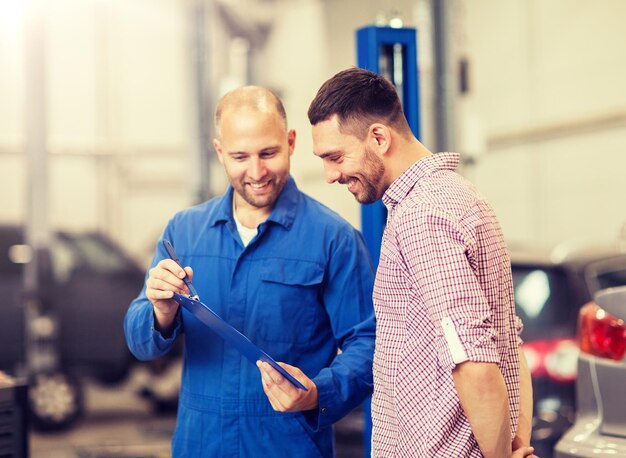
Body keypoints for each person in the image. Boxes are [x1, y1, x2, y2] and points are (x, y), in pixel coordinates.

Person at [124, 86, 376, 457]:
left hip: (288, 446)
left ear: (290, 142)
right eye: (240, 156)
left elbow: (370, 342)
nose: (256, 172)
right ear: (219, 152)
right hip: (201, 444)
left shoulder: (333, 238)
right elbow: (139, 340)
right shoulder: (184, 232)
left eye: (268, 153)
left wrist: (320, 392)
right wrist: (160, 312)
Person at [307, 67, 535, 458]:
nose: (330, 175)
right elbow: (509, 344)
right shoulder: (463, 196)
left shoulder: (422, 215)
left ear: (379, 137)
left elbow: (474, 359)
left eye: (336, 157)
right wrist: (518, 445)